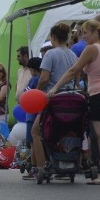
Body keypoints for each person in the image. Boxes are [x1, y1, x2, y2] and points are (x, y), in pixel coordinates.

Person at [47, 19, 100, 185]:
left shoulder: (91, 49)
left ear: (95, 32)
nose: (83, 36)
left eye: (85, 33)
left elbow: (74, 70)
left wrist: (55, 88)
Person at [29, 22, 78, 172]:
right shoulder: (72, 54)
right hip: (71, 98)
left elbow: (44, 78)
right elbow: (77, 76)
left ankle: (41, 166)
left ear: (53, 37)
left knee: (35, 132)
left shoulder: (50, 53)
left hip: (53, 98)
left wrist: (36, 92)